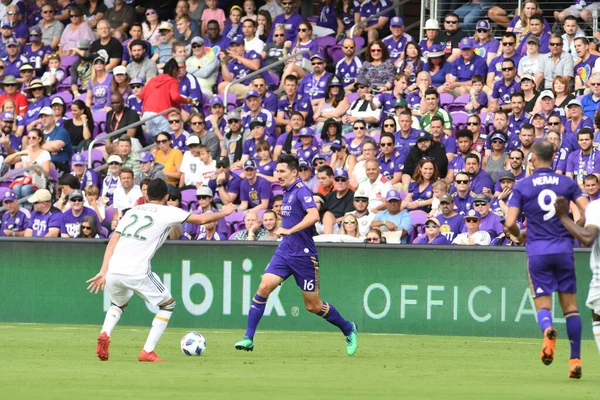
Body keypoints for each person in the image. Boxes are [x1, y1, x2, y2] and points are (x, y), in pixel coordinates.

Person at [87, 179, 236, 362]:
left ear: (146, 195)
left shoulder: (132, 211)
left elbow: (113, 240)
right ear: (166, 196)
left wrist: (103, 271)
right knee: (167, 305)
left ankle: (105, 332)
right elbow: (202, 219)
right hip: (137, 271)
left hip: (114, 270)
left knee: (118, 304)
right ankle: (147, 351)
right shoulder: (168, 211)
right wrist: (225, 212)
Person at [234, 155, 358, 355]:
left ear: (294, 172)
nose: (278, 175)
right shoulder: (287, 192)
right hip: (285, 251)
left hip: (304, 255)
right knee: (264, 286)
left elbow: (314, 215)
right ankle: (248, 337)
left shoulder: (302, 191)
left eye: (282, 171)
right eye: (277, 171)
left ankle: (347, 328)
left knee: (313, 305)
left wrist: (290, 230)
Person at [505, 139, 588, 379]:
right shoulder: (567, 183)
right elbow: (588, 208)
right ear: (553, 158)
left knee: (544, 305)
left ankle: (548, 330)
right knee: (571, 308)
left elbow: (510, 223)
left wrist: (519, 235)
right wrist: (573, 228)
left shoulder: (523, 186)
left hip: (538, 251)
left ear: (532, 159)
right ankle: (575, 361)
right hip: (563, 249)